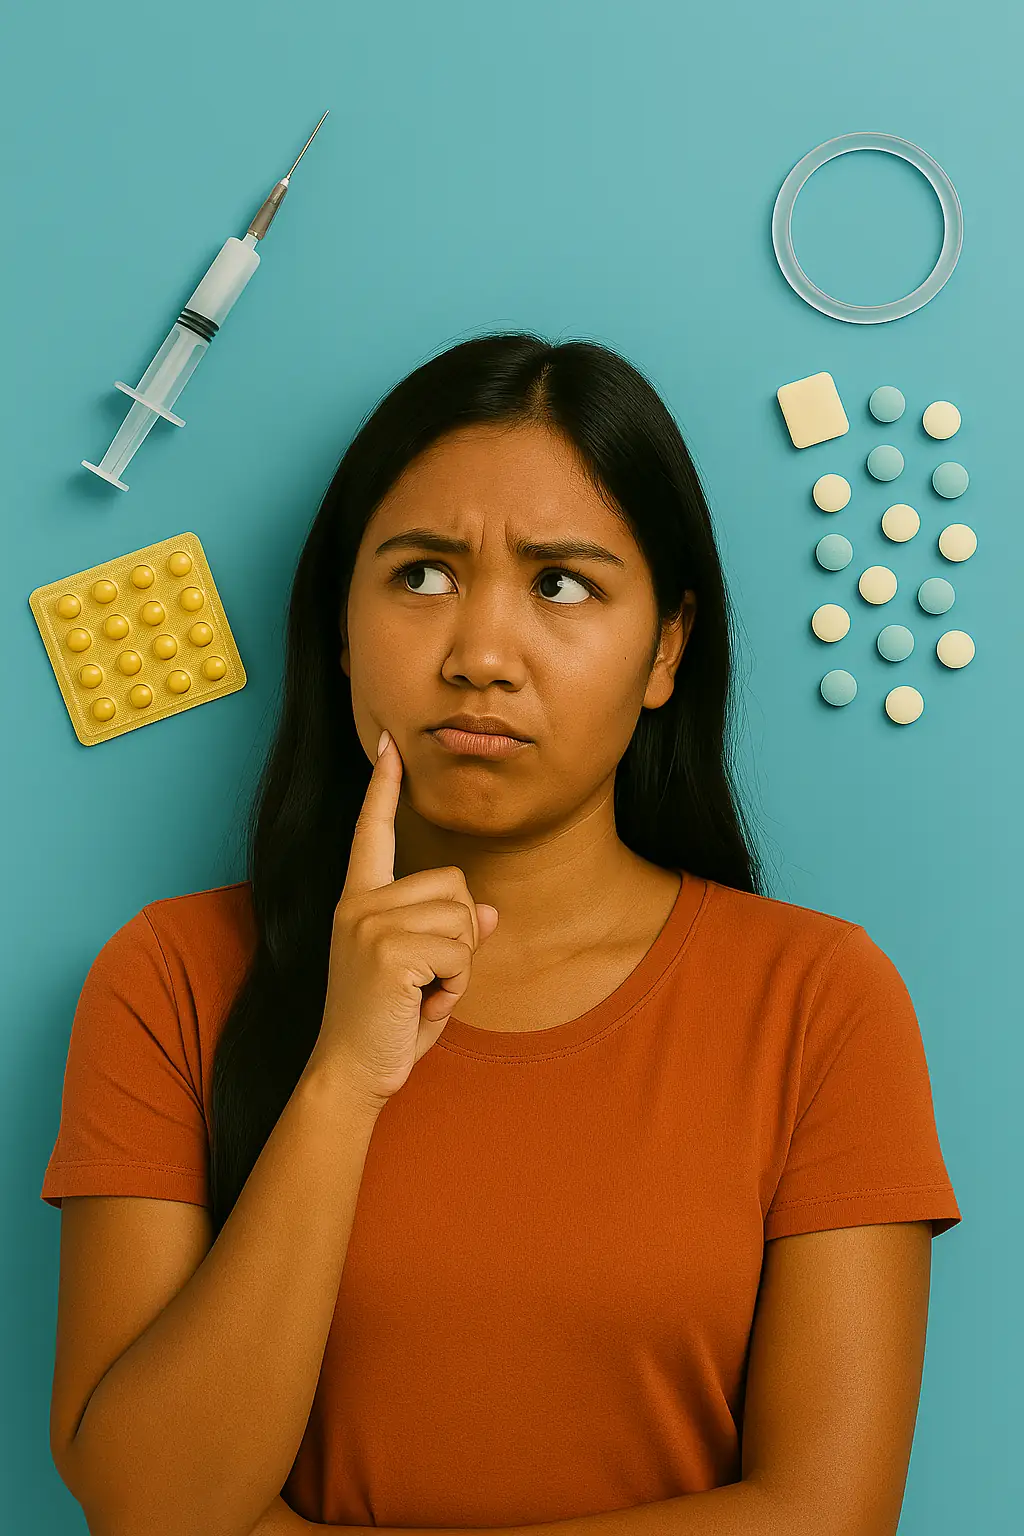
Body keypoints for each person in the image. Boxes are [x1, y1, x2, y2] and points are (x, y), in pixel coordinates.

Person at [43, 332, 960, 1534]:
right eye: (420, 576)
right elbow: (151, 1508)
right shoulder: (168, 979)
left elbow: (827, 1515)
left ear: (666, 650)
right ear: (338, 622)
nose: (479, 656)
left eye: (562, 584)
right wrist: (341, 1082)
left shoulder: (819, 999)